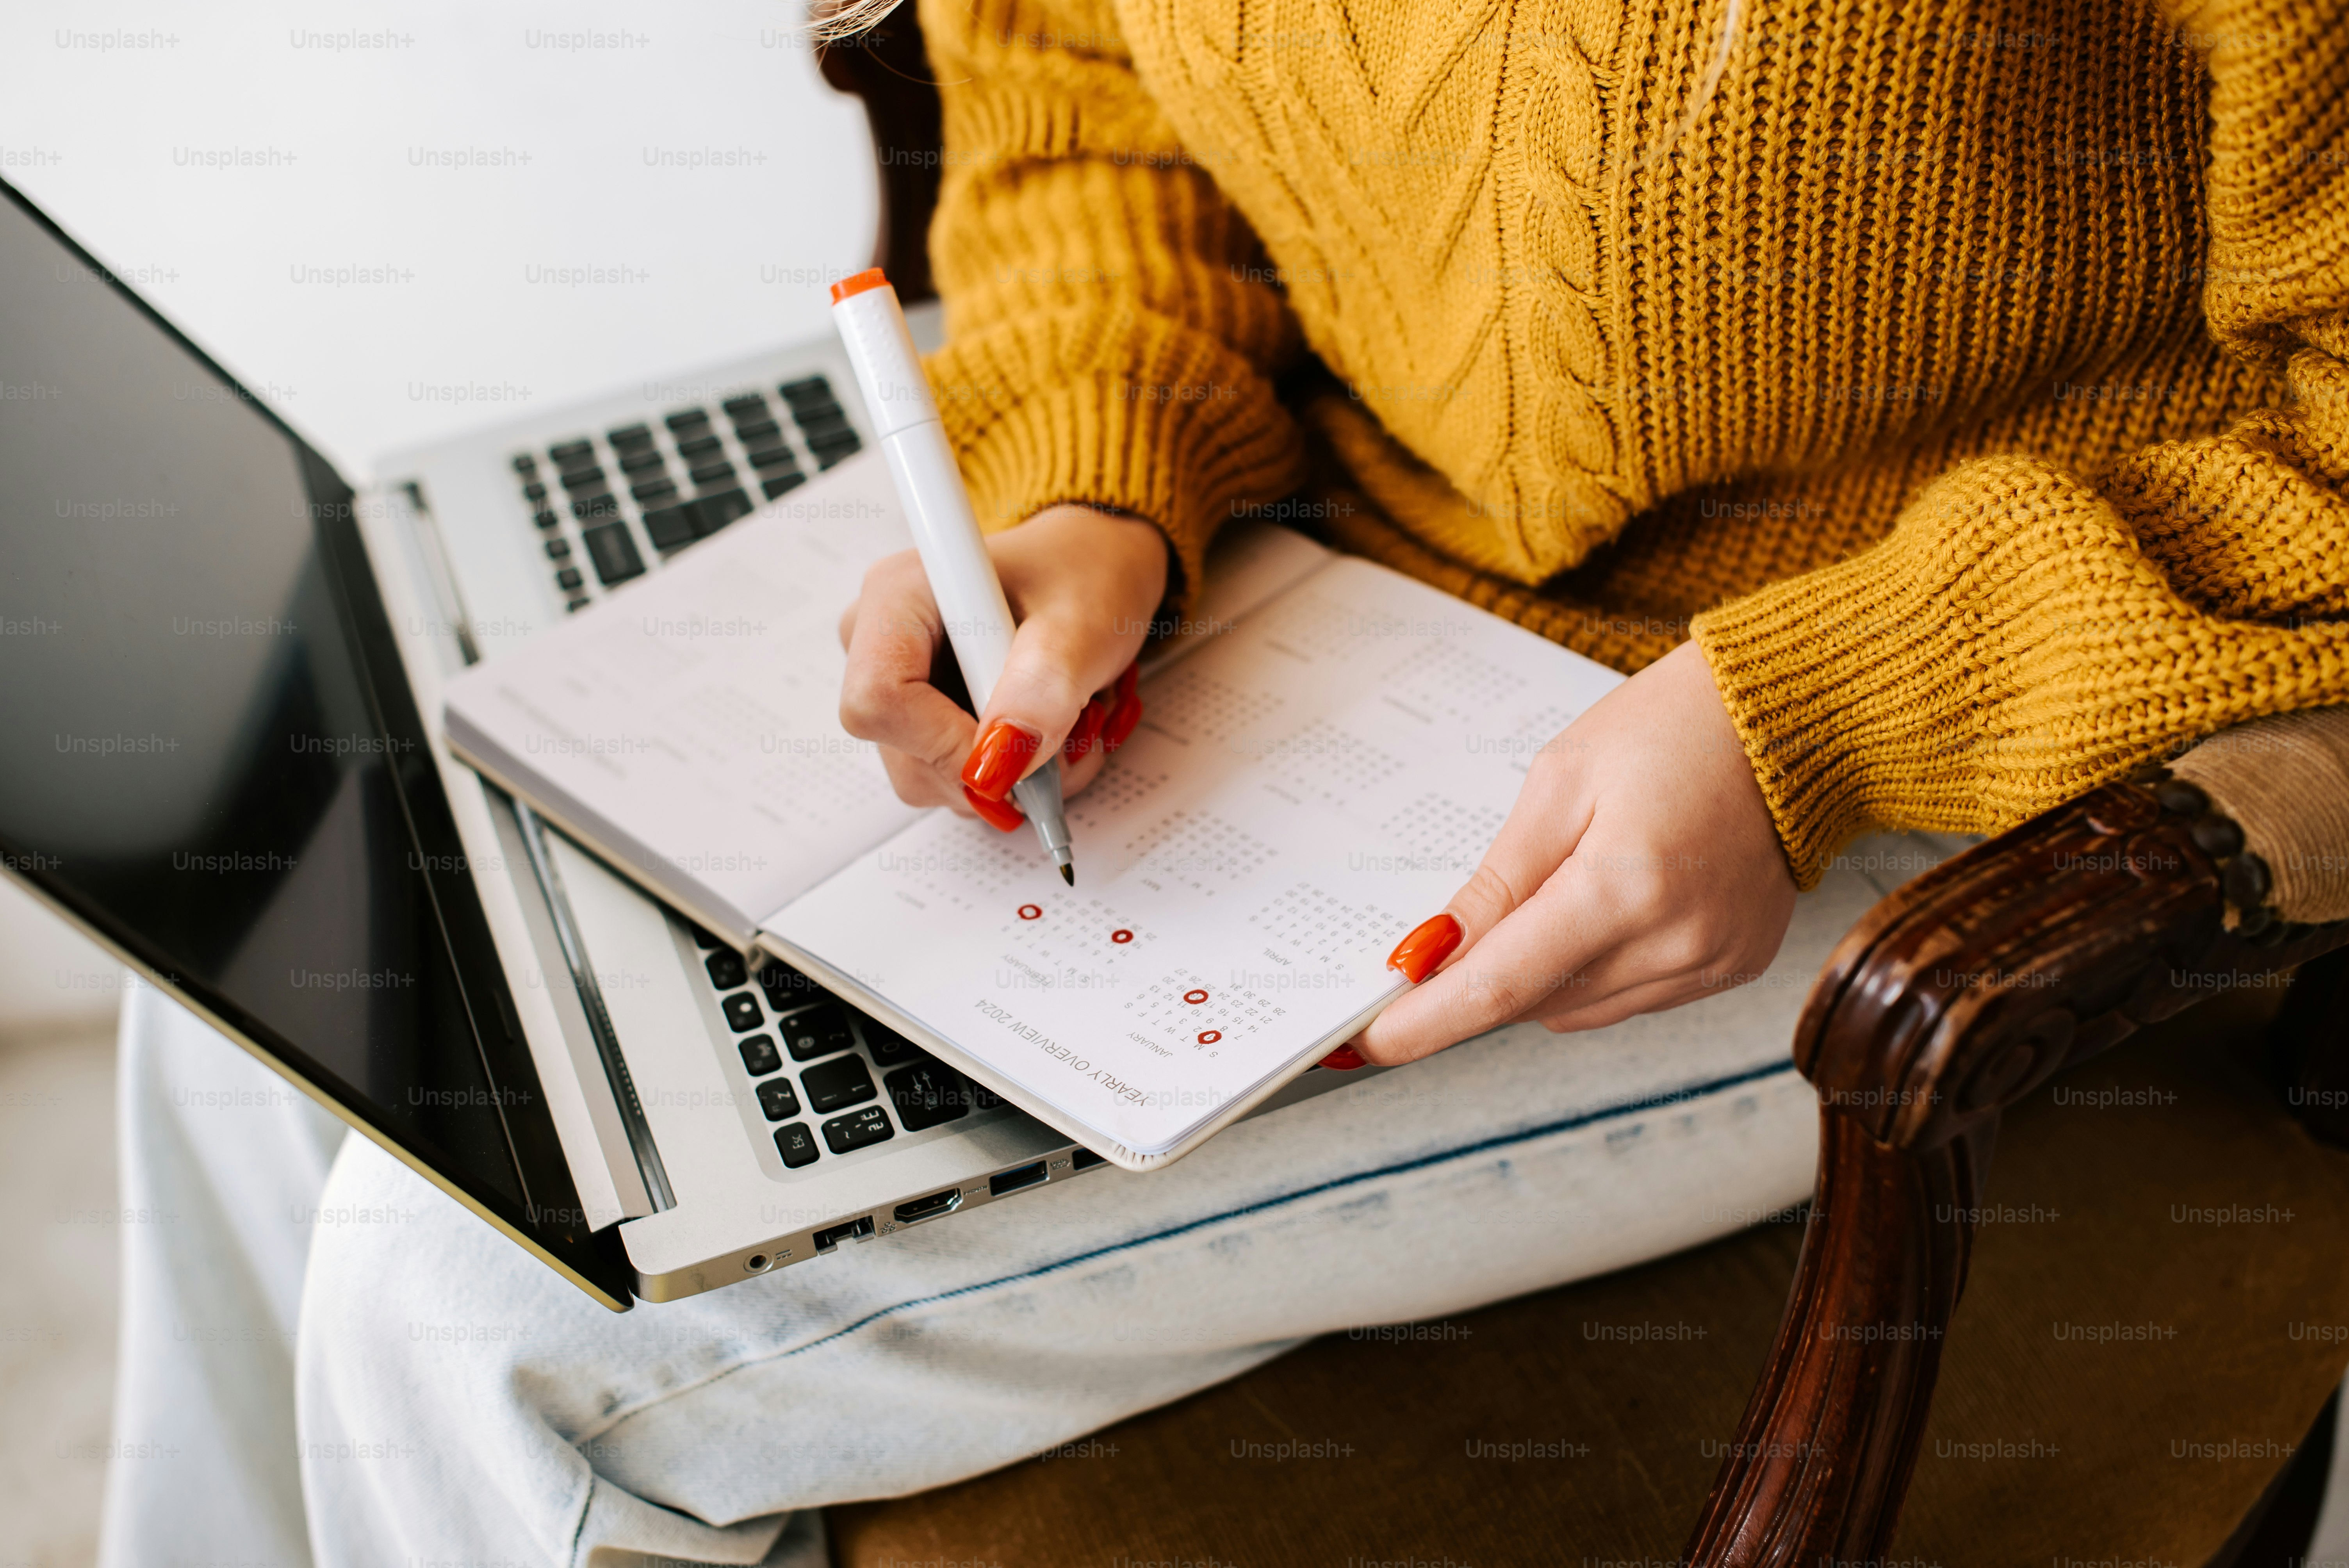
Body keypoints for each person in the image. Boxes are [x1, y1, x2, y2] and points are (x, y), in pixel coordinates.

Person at [101, 0, 2347, 1559]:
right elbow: (1085, 106)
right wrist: (1097, 471)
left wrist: (1824, 707)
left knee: (479, 1318)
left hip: (1957, 768)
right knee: (281, 931)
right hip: (1311, 611)